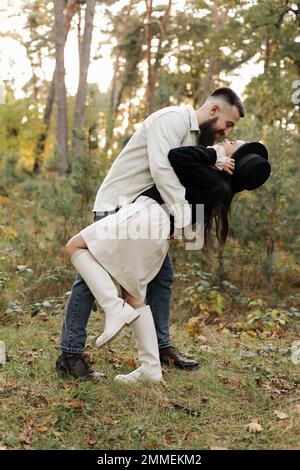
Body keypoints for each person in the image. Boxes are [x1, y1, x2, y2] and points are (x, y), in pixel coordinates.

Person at [56, 87, 245, 381]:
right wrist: (182, 217)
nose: (225, 132)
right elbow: (162, 169)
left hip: (149, 214)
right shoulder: (172, 120)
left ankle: (157, 351)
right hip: (120, 203)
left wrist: (180, 223)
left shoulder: (201, 142)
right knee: (89, 280)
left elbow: (191, 181)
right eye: (228, 125)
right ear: (214, 110)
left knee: (161, 277)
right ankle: (70, 354)